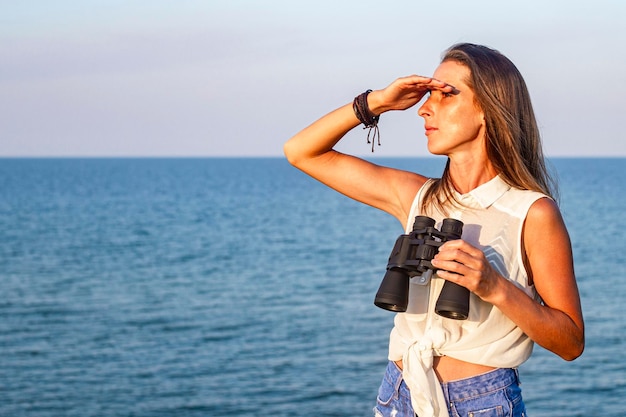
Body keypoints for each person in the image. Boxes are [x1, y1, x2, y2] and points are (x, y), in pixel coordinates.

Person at [283, 43, 584, 417]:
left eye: (445, 95)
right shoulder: (416, 197)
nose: (425, 108)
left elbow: (570, 342)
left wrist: (495, 286)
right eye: (428, 96)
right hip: (399, 392)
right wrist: (375, 103)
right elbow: (301, 151)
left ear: (489, 108)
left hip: (480, 402)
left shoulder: (532, 213)